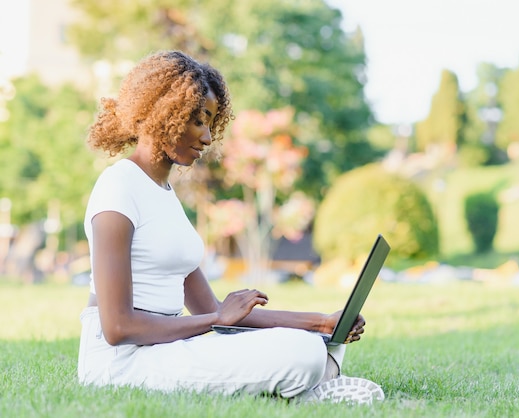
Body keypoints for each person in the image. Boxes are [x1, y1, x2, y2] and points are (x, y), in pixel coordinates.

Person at [77, 50, 384, 405]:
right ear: (165, 113)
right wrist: (215, 320)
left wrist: (321, 322)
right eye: (198, 121)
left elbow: (212, 307)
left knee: (314, 343)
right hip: (119, 365)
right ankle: (308, 388)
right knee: (302, 352)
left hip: (167, 348)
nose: (207, 138)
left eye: (211, 123)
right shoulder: (119, 187)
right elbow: (118, 329)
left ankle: (307, 377)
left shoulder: (164, 193)